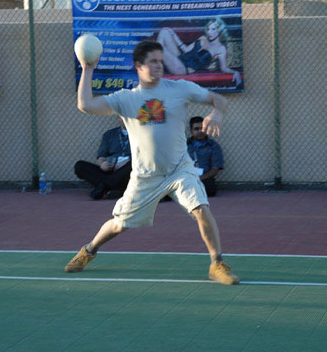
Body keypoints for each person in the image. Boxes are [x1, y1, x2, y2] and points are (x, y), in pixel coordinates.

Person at [64, 39, 239, 285]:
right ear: (138, 66)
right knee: (119, 224)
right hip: (145, 177)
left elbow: (219, 100)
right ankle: (88, 250)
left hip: (180, 170)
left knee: (201, 208)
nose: (159, 66)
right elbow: (85, 105)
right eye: (153, 62)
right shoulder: (125, 98)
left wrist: (217, 113)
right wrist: (87, 67)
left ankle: (217, 263)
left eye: (161, 61)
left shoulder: (180, 89)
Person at [156, 17, 243, 87]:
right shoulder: (203, 38)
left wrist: (235, 72)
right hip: (179, 58)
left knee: (159, 47)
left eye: (213, 29)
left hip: (183, 69)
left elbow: (223, 68)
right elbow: (186, 50)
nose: (210, 32)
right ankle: (157, 64)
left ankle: (155, 66)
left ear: (219, 30)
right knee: (164, 31)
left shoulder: (221, 48)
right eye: (208, 29)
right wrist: (173, 35)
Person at [74, 117, 132, 200]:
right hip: (111, 170)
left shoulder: (140, 134)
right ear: (118, 118)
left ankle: (104, 187)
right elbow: (101, 155)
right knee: (80, 166)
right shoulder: (109, 134)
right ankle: (117, 189)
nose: (126, 120)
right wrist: (102, 164)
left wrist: (128, 161)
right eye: (123, 117)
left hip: (129, 172)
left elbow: (144, 156)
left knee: (134, 164)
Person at [187, 116, 224, 197]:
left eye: (203, 128)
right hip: (186, 178)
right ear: (191, 131)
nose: (200, 131)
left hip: (204, 179)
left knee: (210, 189)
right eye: (196, 129)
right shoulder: (183, 145)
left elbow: (215, 169)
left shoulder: (213, 146)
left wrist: (199, 179)